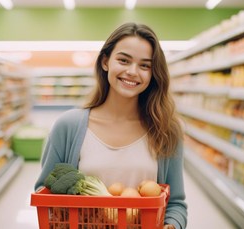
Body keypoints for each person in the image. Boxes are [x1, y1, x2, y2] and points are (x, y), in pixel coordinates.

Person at [34, 22, 187, 229]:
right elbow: (46, 191)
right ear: (106, 62)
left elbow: (176, 204)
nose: (132, 71)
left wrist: (172, 225)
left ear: (153, 74)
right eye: (124, 60)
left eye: (145, 65)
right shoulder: (68, 126)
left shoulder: (166, 130)